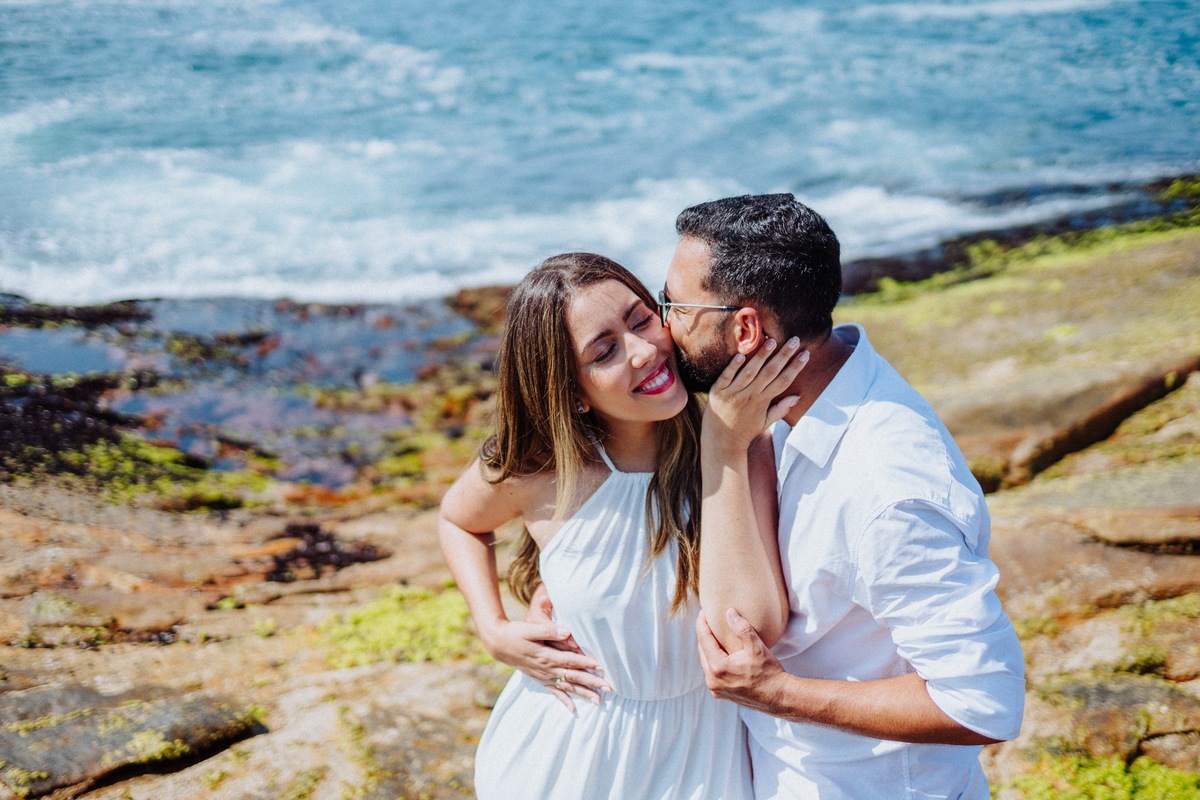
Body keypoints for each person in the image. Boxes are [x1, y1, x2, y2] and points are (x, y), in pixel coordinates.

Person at [663, 193, 1026, 800]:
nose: (664, 321)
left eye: (675, 302)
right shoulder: (784, 398)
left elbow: (984, 703)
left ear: (746, 329)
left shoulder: (886, 490)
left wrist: (778, 693)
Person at [438, 252, 805, 799]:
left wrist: (726, 446)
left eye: (640, 318)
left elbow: (751, 626)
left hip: (704, 754)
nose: (643, 351)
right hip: (565, 756)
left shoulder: (734, 437)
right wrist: (492, 628)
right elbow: (458, 520)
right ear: (573, 392)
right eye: (604, 351)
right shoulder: (540, 468)